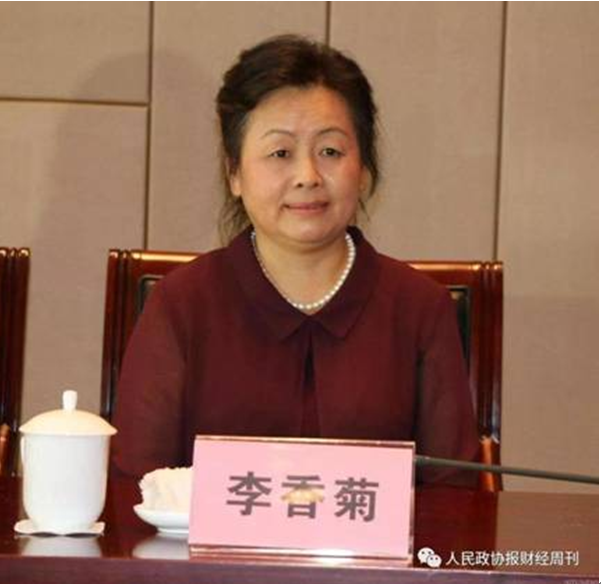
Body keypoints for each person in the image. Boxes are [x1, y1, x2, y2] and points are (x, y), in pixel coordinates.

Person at [111, 35, 479, 485]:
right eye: (280, 153)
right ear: (234, 173)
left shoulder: (420, 308)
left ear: (364, 170)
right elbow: (137, 487)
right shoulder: (182, 305)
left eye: (330, 152)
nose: (307, 176)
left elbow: (455, 497)